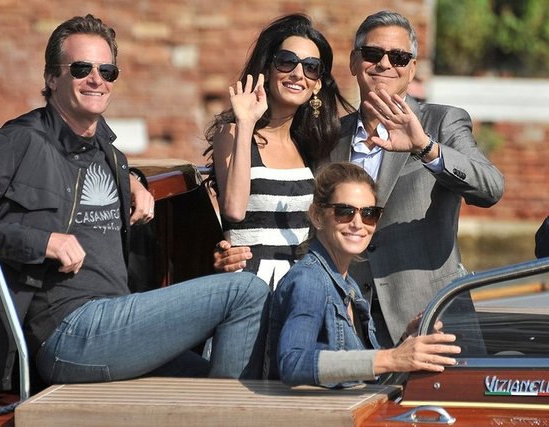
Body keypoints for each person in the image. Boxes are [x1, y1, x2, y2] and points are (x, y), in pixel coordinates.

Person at [0, 14, 269, 391]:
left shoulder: (109, 155)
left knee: (203, 381)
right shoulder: (19, 142)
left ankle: (222, 408)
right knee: (245, 291)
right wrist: (41, 242)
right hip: (67, 332)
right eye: (81, 68)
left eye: (107, 71)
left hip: (114, 325)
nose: (96, 79)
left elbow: (82, 175)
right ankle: (225, 413)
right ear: (52, 78)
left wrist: (135, 181)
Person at [216, 10, 504, 348]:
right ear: (354, 62)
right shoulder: (327, 137)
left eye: (398, 57)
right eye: (372, 54)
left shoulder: (441, 123)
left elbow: (490, 187)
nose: (384, 64)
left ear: (412, 68)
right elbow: (287, 209)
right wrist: (224, 251)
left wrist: (425, 148)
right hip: (346, 325)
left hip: (430, 317)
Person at [269, 162, 460, 387]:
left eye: (369, 214)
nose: (358, 224)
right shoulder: (309, 280)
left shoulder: (348, 285)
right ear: (317, 216)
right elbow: (293, 363)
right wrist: (390, 358)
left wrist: (405, 345)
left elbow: (365, 377)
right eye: (344, 212)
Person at [205, 14, 353, 289]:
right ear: (268, 69)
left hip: (300, 287)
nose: (298, 73)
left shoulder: (313, 145)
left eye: (311, 67)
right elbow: (234, 211)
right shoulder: (233, 133)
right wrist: (247, 122)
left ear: (317, 84)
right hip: (249, 285)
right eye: (287, 61)